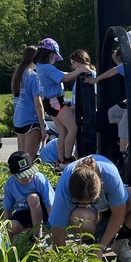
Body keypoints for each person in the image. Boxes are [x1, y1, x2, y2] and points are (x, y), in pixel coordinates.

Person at [47, 155, 131, 262]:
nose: (86, 205)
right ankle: (91, 247)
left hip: (110, 209)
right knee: (79, 217)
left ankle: (120, 242)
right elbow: (57, 234)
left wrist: (101, 247)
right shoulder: (64, 189)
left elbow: (118, 215)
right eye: (80, 203)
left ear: (100, 187)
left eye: (90, 201)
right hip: (89, 216)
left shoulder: (110, 175)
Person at [87, 30, 131, 155]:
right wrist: (97, 79)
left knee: (124, 122)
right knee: (112, 112)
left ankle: (124, 153)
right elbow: (115, 70)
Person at [34, 38, 87, 170]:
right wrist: (81, 70)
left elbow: (62, 74)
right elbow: (65, 78)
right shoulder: (47, 67)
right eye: (54, 56)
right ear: (49, 54)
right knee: (72, 128)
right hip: (55, 101)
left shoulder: (40, 67)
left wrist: (74, 72)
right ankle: (67, 159)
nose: (55, 60)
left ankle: (60, 160)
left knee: (62, 131)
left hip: (48, 103)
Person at [0, 151, 55, 238]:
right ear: (11, 173)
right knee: (12, 226)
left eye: (29, 173)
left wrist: (55, 227)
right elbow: (7, 209)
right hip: (24, 211)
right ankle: (28, 231)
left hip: (43, 213)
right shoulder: (10, 183)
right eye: (22, 175)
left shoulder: (39, 179)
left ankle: (37, 236)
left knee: (33, 198)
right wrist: (5, 233)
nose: (27, 177)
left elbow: (50, 205)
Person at [11, 45, 46, 162]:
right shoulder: (33, 77)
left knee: (21, 160)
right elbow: (38, 104)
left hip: (19, 121)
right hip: (31, 121)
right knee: (28, 161)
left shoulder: (18, 75)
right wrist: (43, 126)